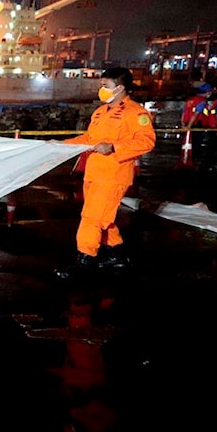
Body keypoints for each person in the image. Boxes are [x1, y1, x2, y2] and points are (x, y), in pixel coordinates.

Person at [56, 67, 156, 280]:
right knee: (103, 217)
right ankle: (116, 256)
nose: (101, 89)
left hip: (114, 175)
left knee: (91, 218)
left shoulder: (136, 113)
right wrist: (61, 145)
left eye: (105, 86)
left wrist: (114, 146)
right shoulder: (100, 112)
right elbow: (89, 139)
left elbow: (146, 141)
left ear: (119, 87)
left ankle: (84, 261)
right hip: (94, 173)